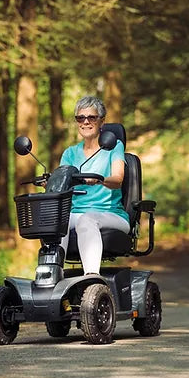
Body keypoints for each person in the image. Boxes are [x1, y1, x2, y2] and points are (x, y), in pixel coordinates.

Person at [59, 96, 130, 275]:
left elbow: (118, 179)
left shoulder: (114, 147)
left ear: (101, 122)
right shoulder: (70, 153)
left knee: (87, 219)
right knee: (56, 220)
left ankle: (92, 277)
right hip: (76, 213)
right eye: (80, 118)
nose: (85, 122)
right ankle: (52, 275)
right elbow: (61, 182)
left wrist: (100, 179)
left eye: (91, 117)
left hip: (111, 213)